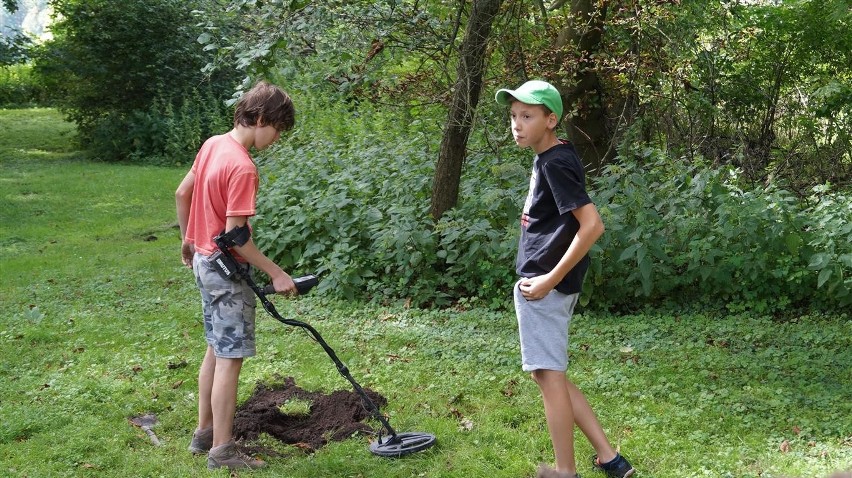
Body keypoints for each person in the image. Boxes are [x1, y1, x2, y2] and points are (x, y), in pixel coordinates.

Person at [495, 80, 635, 478]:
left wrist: (549, 280)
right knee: (550, 373)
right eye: (513, 117)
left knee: (548, 377)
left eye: (527, 116)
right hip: (546, 281)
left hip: (545, 284)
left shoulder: (554, 162)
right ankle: (610, 459)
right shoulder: (553, 156)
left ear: (550, 119)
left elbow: (591, 225)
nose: (517, 125)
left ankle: (565, 471)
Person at [175, 80, 298, 470]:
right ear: (261, 119)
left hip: (202, 262)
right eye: (277, 129)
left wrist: (187, 239)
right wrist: (276, 272)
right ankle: (223, 451)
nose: (277, 138)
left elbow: (182, 193)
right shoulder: (243, 166)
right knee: (231, 358)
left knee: (215, 346)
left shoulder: (214, 144)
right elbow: (236, 236)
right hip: (226, 271)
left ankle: (205, 433)